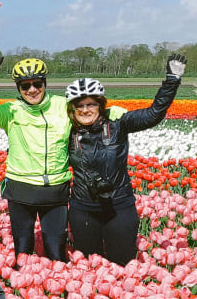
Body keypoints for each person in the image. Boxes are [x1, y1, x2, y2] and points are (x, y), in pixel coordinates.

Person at [66, 54, 186, 266]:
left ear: (100, 105)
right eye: (79, 106)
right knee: (86, 269)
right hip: (83, 209)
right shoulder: (66, 130)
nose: (85, 110)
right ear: (72, 110)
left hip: (118, 206)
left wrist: (172, 80)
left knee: (122, 265)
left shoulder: (118, 124)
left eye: (91, 104)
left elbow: (153, 114)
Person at [0, 54, 71, 261]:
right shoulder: (11, 110)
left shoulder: (63, 106)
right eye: (25, 86)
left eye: (37, 84)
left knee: (56, 253)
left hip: (55, 188)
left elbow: (95, 111)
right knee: (23, 250)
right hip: (21, 189)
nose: (32, 90)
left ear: (45, 83)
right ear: (18, 88)